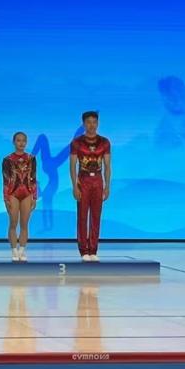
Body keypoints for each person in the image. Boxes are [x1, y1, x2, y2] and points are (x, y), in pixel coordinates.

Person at [70, 111, 112, 262]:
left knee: (96, 216)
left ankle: (93, 250)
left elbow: (107, 166)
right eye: (88, 122)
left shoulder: (104, 142)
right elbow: (72, 166)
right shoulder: (77, 142)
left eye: (94, 122)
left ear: (98, 123)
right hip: (83, 181)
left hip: (98, 181)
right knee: (82, 216)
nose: (91, 125)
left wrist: (107, 186)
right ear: (83, 124)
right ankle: (83, 251)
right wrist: (75, 186)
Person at [2, 132, 37, 262]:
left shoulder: (31, 159)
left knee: (24, 224)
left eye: (23, 141)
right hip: (13, 193)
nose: (21, 143)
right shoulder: (8, 160)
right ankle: (14, 250)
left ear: (26, 142)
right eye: (18, 140)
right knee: (13, 222)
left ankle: (22, 250)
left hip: (27, 193)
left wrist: (34, 197)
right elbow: (5, 181)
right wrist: (6, 198)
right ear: (14, 142)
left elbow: (33, 178)